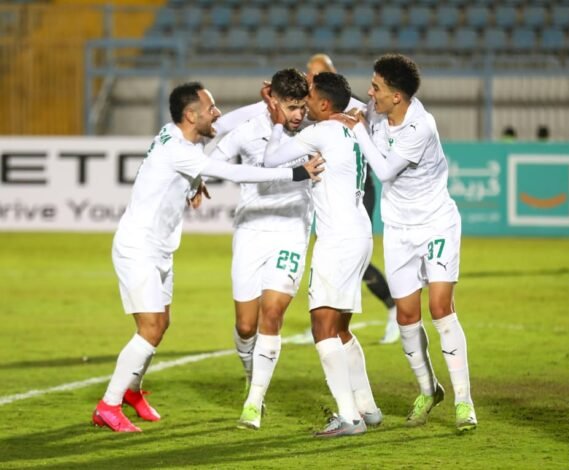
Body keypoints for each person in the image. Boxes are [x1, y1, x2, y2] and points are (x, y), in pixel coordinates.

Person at [91, 82, 323, 433]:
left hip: (160, 248)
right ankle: (108, 405)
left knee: (160, 325)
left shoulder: (177, 134)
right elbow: (233, 171)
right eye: (210, 108)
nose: (217, 113)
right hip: (138, 248)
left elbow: (224, 124)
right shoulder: (180, 151)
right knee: (150, 329)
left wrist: (267, 103)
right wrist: (295, 172)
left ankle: (131, 391)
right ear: (191, 115)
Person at [331, 54, 477, 432]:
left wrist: (358, 129)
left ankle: (464, 401)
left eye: (376, 87)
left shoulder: (420, 126)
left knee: (441, 308)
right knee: (407, 316)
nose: (370, 93)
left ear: (396, 96)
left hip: (436, 224)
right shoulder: (378, 110)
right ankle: (429, 390)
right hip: (398, 229)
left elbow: (384, 171)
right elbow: (345, 102)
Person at [264, 72, 381, 438]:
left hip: (337, 241)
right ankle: (368, 408)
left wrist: (278, 118)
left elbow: (270, 159)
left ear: (325, 104)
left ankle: (349, 417)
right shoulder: (354, 128)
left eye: (310, 97)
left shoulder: (322, 131)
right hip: (360, 234)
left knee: (322, 327)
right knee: (341, 328)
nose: (304, 102)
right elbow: (357, 105)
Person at [208, 69, 312, 430]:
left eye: (302, 107)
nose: (298, 114)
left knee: (272, 312)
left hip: (291, 232)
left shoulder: (314, 133)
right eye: (291, 107)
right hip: (250, 231)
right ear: (273, 101)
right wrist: (195, 182)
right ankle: (252, 376)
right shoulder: (248, 131)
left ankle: (253, 402)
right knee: (245, 325)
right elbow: (214, 158)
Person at [307, 53, 400, 344]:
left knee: (354, 256)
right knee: (335, 254)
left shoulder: (355, 106)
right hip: (334, 191)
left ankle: (393, 308)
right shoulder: (316, 107)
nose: (309, 78)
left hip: (360, 190)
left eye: (314, 73)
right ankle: (328, 316)